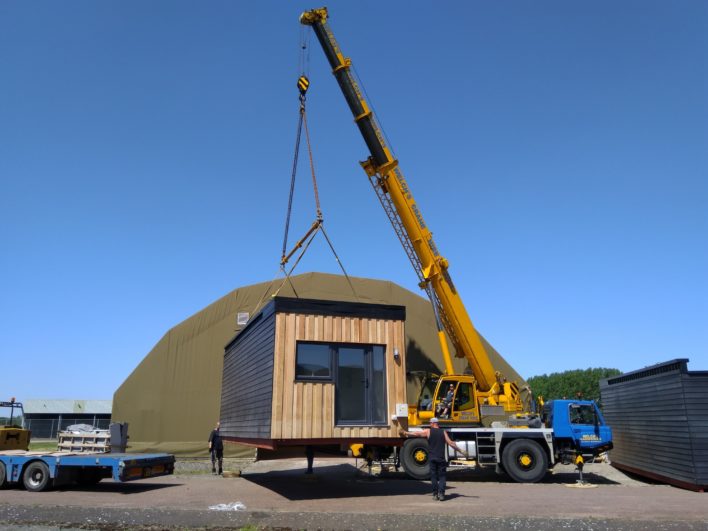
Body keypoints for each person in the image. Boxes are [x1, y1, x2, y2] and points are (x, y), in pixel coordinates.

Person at [400, 418, 463, 501]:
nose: (430, 424)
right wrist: (460, 451)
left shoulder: (428, 431)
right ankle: (441, 494)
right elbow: (450, 443)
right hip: (441, 458)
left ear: (434, 423)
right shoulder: (443, 432)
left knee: (433, 476)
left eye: (430, 423)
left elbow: (417, 434)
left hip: (432, 458)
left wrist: (406, 432)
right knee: (442, 477)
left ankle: (435, 494)